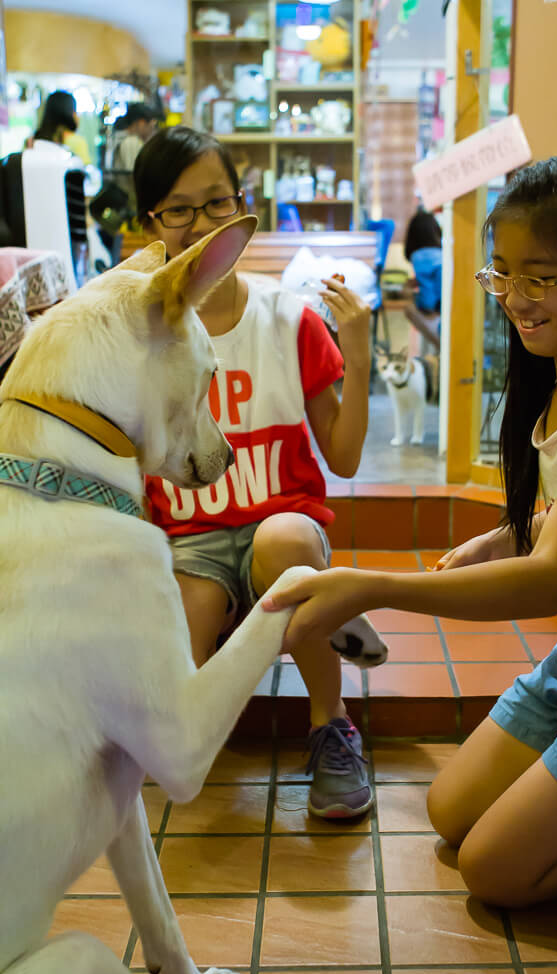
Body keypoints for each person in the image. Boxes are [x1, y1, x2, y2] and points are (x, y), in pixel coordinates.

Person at [265, 150, 557, 905]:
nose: (515, 298)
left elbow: (550, 580)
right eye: (502, 274)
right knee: (448, 812)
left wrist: (368, 585)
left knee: (492, 873)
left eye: (542, 276)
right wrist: (507, 535)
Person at [134, 125, 375, 819]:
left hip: (282, 526)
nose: (202, 224)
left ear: (245, 207)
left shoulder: (288, 316)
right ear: (150, 224)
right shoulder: (140, 330)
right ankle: (196, 720)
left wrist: (355, 357)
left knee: (286, 547)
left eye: (216, 203)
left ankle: (332, 727)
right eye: (177, 210)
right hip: (191, 542)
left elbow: (345, 457)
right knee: (192, 615)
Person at [31, 89, 91, 163]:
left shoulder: (32, 141)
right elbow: (85, 170)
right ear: (70, 113)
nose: (78, 116)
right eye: (75, 111)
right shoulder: (77, 142)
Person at [404, 209, 443, 314]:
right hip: (449, 307)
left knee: (409, 311)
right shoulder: (442, 253)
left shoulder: (417, 256)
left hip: (435, 311)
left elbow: (427, 299)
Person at [115, 102, 158, 173]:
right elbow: (133, 172)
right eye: (151, 126)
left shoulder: (120, 137)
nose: (152, 131)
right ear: (141, 123)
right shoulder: (131, 142)